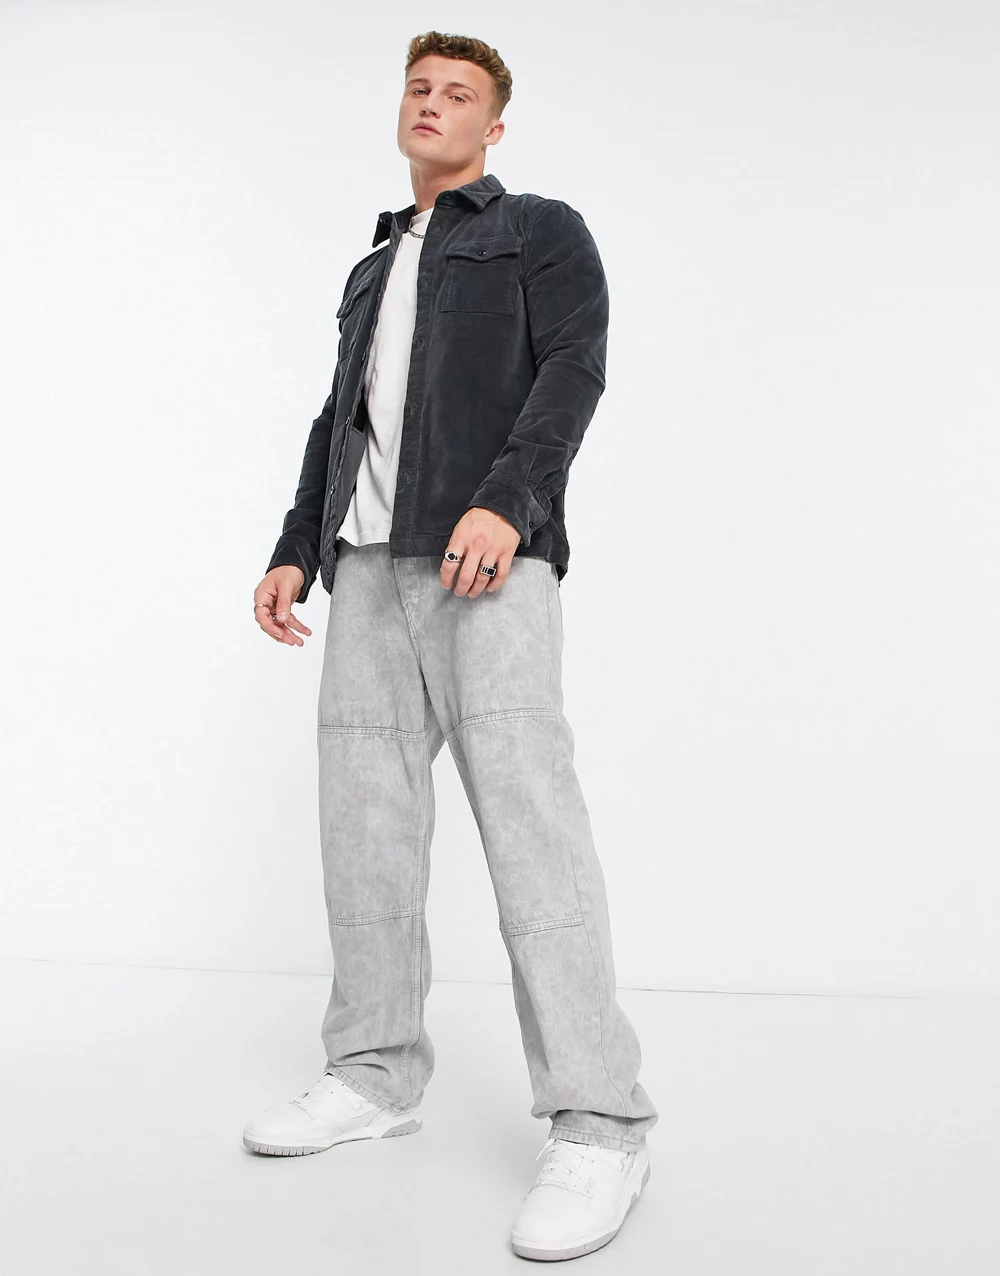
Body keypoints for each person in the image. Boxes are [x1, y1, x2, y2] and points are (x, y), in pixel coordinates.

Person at [243, 30, 658, 1261]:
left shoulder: (537, 231)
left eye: (458, 93)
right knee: (364, 836)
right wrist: (296, 544)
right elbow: (341, 418)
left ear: (493, 124)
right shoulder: (375, 264)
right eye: (419, 88)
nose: (432, 103)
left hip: (488, 565)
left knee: (532, 830)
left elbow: (573, 370)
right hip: (366, 571)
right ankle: (373, 1073)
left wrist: (507, 500)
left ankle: (602, 1121)